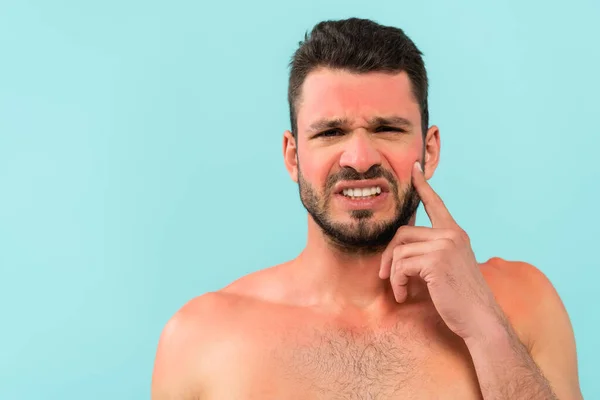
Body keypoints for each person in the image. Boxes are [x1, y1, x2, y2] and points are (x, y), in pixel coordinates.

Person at [151, 18, 583, 399]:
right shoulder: (200, 338)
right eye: (331, 132)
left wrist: (485, 325)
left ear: (429, 150)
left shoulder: (521, 303)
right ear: (293, 156)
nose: (359, 158)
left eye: (388, 129)